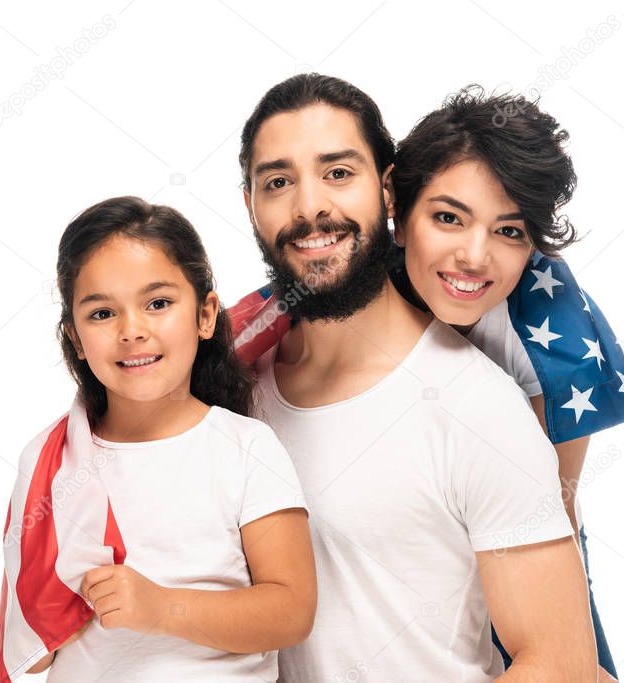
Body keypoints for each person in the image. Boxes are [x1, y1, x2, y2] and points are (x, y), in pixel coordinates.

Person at [235, 73, 597, 681]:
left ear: (386, 193)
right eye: (278, 181)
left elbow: (559, 665)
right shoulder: (229, 388)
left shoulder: (479, 409)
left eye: (338, 173)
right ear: (251, 205)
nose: (309, 207)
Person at [0, 196, 316, 682]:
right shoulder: (51, 464)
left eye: (158, 303)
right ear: (76, 339)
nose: (132, 330)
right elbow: (33, 644)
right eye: (102, 313)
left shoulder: (246, 449)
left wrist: (163, 609)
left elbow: (290, 611)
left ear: (206, 315)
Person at [390, 87, 624, 681]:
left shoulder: (550, 330)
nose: (474, 256)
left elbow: (548, 512)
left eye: (509, 232)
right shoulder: (352, 288)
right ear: (398, 214)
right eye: (448, 218)